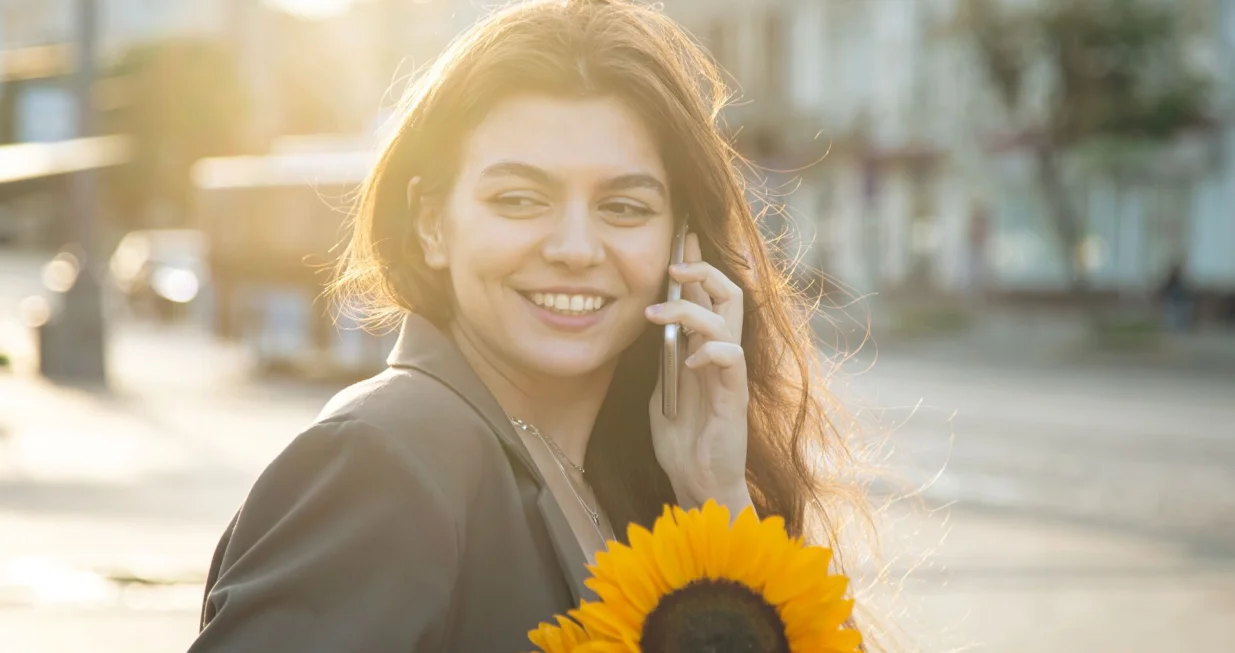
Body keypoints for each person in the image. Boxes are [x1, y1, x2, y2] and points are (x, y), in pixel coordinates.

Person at [189, 1, 871, 651]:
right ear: (432, 224)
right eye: (519, 199)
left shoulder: (624, 476)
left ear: (681, 245)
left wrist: (713, 497)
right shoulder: (382, 460)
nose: (575, 248)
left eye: (624, 207)